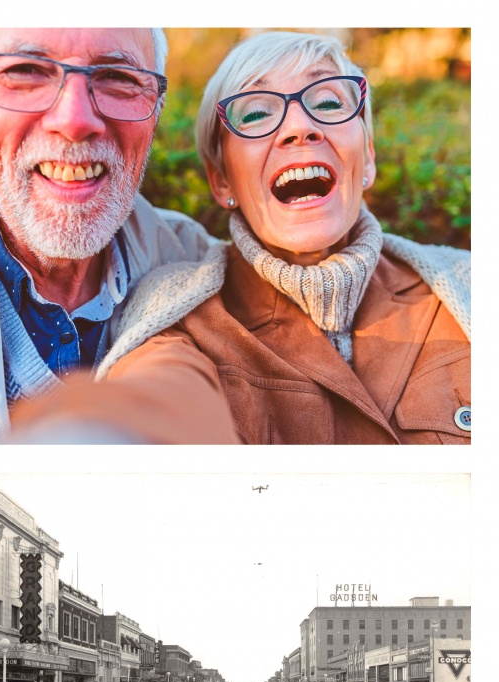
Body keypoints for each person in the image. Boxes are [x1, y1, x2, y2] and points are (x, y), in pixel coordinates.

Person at [61, 30, 469, 444]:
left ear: (368, 158)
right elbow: (157, 397)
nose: (300, 127)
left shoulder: (468, 286)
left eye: (328, 103)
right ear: (221, 181)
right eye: (255, 114)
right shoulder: (178, 317)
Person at [0, 27, 237, 445]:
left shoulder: (199, 266)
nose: (74, 121)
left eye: (118, 78)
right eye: (25, 72)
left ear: (155, 113)